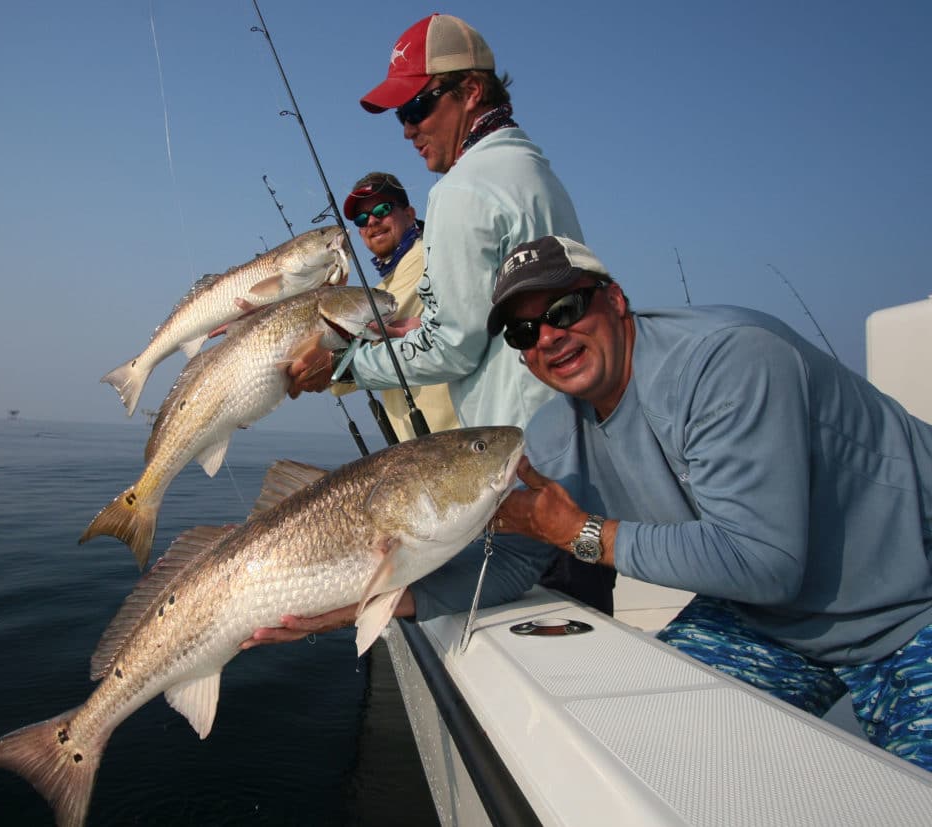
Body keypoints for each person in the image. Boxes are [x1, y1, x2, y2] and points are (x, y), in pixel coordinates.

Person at [487, 234, 932, 772]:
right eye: (525, 331)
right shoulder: (553, 435)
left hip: (915, 606)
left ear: (617, 299)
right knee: (633, 751)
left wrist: (583, 533)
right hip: (771, 620)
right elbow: (514, 555)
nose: (550, 337)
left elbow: (763, 561)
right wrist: (394, 593)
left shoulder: (727, 360)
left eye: (566, 308)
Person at [266, 12, 615, 635]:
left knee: (535, 628)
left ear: (471, 92)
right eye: (399, 114)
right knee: (585, 624)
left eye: (419, 107)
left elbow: (450, 348)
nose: (407, 129)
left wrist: (344, 365)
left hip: (521, 461)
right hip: (574, 450)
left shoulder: (463, 191)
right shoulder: (534, 169)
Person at [334, 171, 459, 439]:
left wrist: (329, 307)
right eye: (361, 218)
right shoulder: (383, 288)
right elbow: (338, 382)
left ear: (410, 214)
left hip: (455, 440)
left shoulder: (424, 256)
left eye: (382, 209)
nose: (372, 221)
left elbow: (360, 332)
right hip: (422, 451)